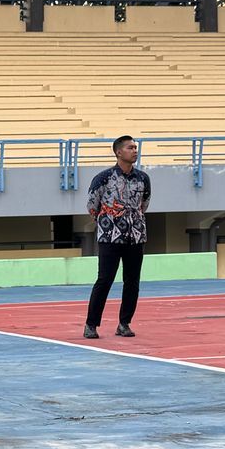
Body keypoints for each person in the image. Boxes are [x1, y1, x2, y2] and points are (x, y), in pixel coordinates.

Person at [83, 134, 152, 340]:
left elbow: (144, 204)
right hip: (110, 238)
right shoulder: (103, 178)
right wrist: (109, 222)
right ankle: (91, 325)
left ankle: (124, 323)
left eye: (135, 147)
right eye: (130, 148)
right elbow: (92, 206)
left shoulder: (143, 178)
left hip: (136, 237)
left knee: (132, 282)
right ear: (118, 152)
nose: (135, 151)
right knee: (104, 280)